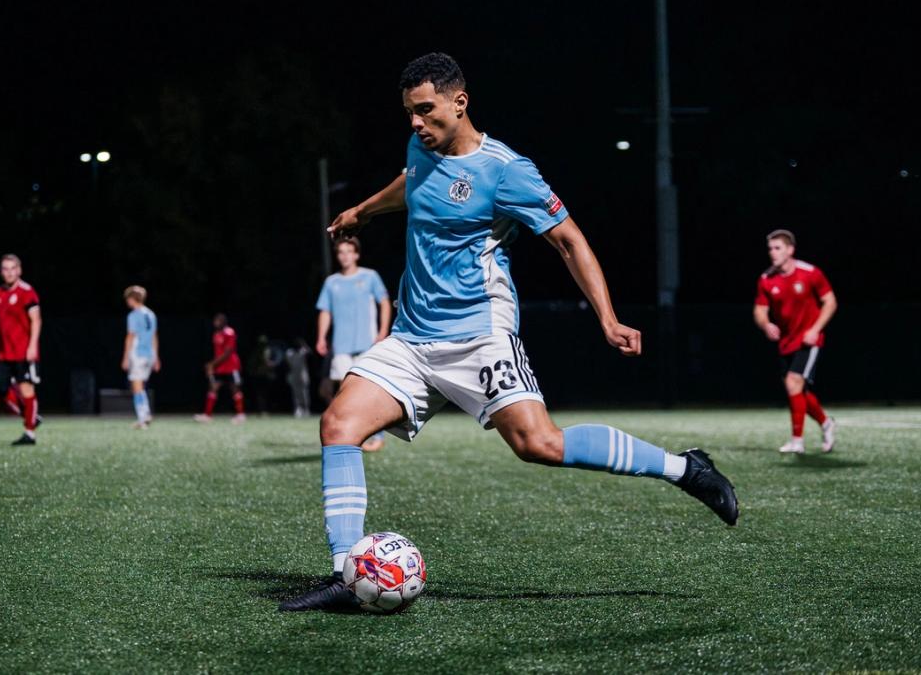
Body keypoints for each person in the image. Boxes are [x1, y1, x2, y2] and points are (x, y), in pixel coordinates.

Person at [279, 53, 738, 612]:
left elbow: (569, 241)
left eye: (426, 111)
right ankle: (346, 575)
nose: (416, 124)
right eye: (409, 114)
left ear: (459, 102)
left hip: (480, 335)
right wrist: (364, 210)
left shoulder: (506, 170)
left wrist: (608, 317)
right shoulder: (420, 148)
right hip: (411, 337)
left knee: (539, 444)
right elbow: (413, 182)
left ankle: (685, 468)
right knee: (339, 424)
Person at [753, 229, 838, 453]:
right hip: (786, 341)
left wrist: (815, 329)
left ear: (790, 250)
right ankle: (826, 423)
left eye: (777, 248)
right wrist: (766, 324)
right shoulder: (766, 279)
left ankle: (797, 442)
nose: (773, 253)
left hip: (809, 339)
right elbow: (760, 310)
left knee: (793, 383)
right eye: (770, 248)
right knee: (798, 391)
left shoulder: (810, 273)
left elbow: (830, 302)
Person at [315, 237, 391, 450]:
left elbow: (384, 302)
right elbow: (325, 311)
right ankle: (354, 435)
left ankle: (379, 436)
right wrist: (321, 337)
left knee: (370, 391)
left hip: (367, 343)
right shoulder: (332, 282)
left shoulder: (370, 277)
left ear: (356, 254)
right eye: (341, 252)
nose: (345, 255)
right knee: (344, 394)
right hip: (341, 345)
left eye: (349, 251)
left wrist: (383, 331)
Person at [0, 254, 42, 445]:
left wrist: (32, 346)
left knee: (26, 389)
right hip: (6, 353)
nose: (9, 272)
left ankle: (30, 433)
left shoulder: (27, 292)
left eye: (13, 268)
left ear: (19, 270)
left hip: (23, 352)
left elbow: (36, 320)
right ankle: (31, 416)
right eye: (5, 268)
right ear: (1, 272)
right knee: (0, 388)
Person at [120, 285, 160, 429]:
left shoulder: (133, 315)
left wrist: (125, 357)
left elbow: (130, 337)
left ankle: (143, 417)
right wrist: (156, 357)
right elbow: (154, 336)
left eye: (128, 299)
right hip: (149, 355)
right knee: (140, 386)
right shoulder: (151, 314)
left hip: (138, 354)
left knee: (136, 386)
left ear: (132, 299)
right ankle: (144, 415)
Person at [194, 313, 246, 424]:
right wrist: (212, 366)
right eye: (215, 320)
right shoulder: (216, 334)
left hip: (232, 366)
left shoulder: (230, 332)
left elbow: (227, 353)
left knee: (235, 389)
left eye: (217, 320)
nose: (215, 323)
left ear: (223, 321)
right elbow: (218, 353)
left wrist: (212, 364)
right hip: (220, 368)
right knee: (213, 387)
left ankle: (240, 415)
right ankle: (207, 415)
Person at [285, 337, 313, 418]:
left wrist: (304, 345)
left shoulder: (303, 351)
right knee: (295, 393)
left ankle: (306, 409)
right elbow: (288, 363)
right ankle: (298, 408)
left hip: (303, 374)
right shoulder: (289, 352)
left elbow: (310, 353)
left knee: (304, 392)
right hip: (293, 374)